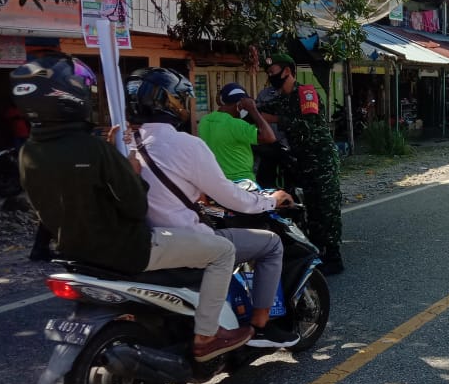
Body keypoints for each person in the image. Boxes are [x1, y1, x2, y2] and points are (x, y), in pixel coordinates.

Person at [11, 55, 252, 362]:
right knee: (222, 251)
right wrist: (132, 173)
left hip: (72, 251)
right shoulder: (97, 149)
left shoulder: (28, 152)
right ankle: (207, 336)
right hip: (127, 248)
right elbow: (136, 207)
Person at [126, 67, 300, 348]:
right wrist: (272, 200)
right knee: (270, 245)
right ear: (171, 102)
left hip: (145, 234)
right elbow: (234, 193)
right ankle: (260, 326)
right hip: (197, 224)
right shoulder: (185, 143)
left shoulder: (125, 143)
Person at [257, 53, 345, 275]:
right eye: (268, 72)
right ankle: (318, 251)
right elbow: (262, 110)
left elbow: (307, 125)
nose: (271, 76)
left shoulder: (306, 93)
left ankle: (334, 255)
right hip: (302, 160)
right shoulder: (281, 98)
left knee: (327, 207)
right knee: (312, 208)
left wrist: (275, 119)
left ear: (287, 71)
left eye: (274, 71)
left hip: (321, 159)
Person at [198, 82, 276, 182]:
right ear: (239, 105)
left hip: (216, 181)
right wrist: (253, 110)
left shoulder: (204, 121)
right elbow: (269, 137)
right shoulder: (235, 125)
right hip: (241, 182)